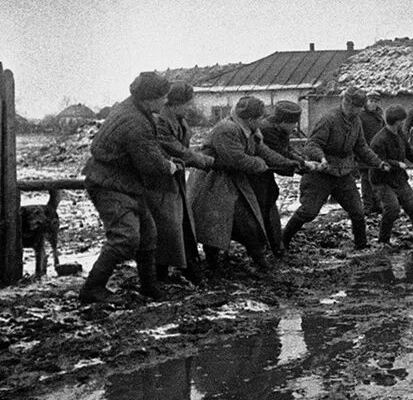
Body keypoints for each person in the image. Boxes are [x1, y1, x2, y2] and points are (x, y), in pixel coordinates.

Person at [79, 72, 179, 303]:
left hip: (123, 182)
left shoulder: (132, 109)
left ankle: (149, 286)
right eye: (163, 97)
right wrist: (170, 167)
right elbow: (150, 162)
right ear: (149, 98)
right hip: (110, 184)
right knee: (125, 237)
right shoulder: (135, 121)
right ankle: (92, 288)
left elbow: (145, 151)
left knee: (148, 234)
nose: (166, 101)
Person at [187, 96, 300, 272]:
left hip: (233, 181)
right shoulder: (227, 130)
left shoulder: (250, 130)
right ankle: (213, 262)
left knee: (248, 223)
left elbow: (263, 151)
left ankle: (257, 260)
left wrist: (287, 162)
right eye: (260, 118)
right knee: (216, 223)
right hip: (213, 182)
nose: (263, 121)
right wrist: (259, 164)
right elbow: (236, 160)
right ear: (249, 119)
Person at [282, 87, 390, 251]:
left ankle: (361, 246)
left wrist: (378, 163)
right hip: (321, 174)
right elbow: (312, 145)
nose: (359, 111)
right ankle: (282, 241)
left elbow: (361, 147)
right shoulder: (329, 119)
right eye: (356, 107)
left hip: (343, 174)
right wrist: (321, 158)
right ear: (346, 103)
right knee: (308, 212)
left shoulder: (356, 122)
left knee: (357, 211)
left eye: (361, 108)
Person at [149, 81, 215, 284]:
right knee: (166, 226)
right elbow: (176, 149)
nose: (189, 107)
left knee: (179, 224)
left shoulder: (178, 119)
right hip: (159, 181)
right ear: (174, 103)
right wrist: (205, 161)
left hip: (174, 179)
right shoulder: (160, 121)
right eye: (186, 103)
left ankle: (183, 267)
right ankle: (161, 273)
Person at [252, 100, 317, 258]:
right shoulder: (267, 130)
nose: (295, 127)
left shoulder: (279, 129)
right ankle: (269, 249)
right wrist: (303, 165)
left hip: (263, 173)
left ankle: (275, 246)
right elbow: (279, 155)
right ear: (283, 122)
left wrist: (303, 161)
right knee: (262, 209)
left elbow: (288, 150)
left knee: (269, 204)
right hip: (254, 175)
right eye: (293, 123)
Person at [369, 105, 413, 246]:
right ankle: (383, 241)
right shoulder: (378, 140)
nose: (403, 123)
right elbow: (378, 162)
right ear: (396, 121)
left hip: (399, 179)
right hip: (382, 182)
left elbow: (410, 152)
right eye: (402, 120)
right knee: (392, 209)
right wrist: (396, 164)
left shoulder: (400, 134)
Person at [358, 91, 386, 215]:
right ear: (366, 102)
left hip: (377, 151)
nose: (373, 104)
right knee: (365, 179)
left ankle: (377, 204)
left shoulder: (379, 115)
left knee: (377, 178)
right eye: (371, 101)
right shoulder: (360, 116)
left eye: (375, 101)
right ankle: (367, 205)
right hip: (364, 150)